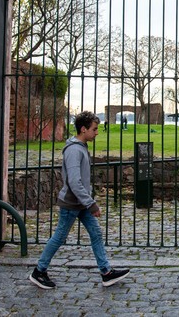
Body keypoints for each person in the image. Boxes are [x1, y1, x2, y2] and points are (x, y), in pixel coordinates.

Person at [29, 111, 130, 289]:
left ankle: (106, 272)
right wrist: (91, 204)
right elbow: (74, 182)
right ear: (83, 129)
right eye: (94, 129)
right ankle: (39, 271)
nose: (97, 132)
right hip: (72, 202)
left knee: (96, 233)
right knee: (59, 236)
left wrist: (87, 202)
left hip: (80, 202)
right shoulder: (75, 150)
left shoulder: (80, 147)